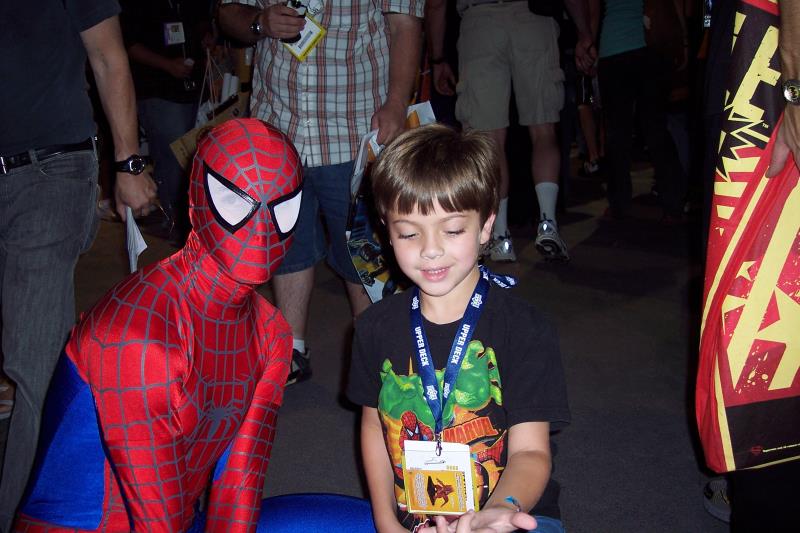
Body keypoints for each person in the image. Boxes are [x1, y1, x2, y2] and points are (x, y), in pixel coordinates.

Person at [15, 119, 302, 532]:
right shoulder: (137, 333)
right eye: (235, 202)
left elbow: (239, 482)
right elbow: (155, 520)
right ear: (197, 198)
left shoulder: (271, 332)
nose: (261, 231)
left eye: (283, 207)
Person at [347, 125, 570, 532]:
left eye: (451, 230)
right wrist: (385, 520)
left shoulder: (525, 329)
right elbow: (373, 426)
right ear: (387, 230)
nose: (430, 249)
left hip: (510, 512)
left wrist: (499, 509)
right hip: (415, 518)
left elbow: (531, 452)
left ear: (485, 226)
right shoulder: (374, 327)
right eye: (409, 232)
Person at [0, 2, 157, 529]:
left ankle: (22, 518)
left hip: (49, 170)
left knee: (35, 364)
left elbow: (109, 56)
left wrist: (128, 163)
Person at [218, 0, 424, 384]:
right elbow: (228, 10)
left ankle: (374, 351)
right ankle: (291, 348)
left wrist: (397, 102)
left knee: (363, 252)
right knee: (287, 245)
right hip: (277, 126)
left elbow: (405, 24)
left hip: (354, 128)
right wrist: (259, 22)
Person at [426, 0, 595, 263]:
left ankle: (500, 235)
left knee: (490, 141)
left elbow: (436, 4)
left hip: (481, 22)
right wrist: (584, 32)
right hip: (532, 18)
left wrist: (437, 57)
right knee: (543, 129)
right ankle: (548, 223)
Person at [120, 0, 213, 245]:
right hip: (158, 90)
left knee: (195, 158)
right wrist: (167, 65)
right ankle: (179, 227)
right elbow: (128, 44)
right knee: (172, 161)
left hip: (193, 89)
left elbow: (201, 22)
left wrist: (207, 37)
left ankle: (192, 223)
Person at [588, 0, 687, 221]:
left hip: (614, 46)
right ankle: (673, 199)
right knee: (655, 128)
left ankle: (619, 201)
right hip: (651, 44)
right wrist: (682, 40)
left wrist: (589, 41)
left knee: (617, 132)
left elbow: (593, 8)